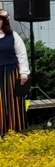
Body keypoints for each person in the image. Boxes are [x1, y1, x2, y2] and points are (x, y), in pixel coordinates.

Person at [0, 9, 29, 137]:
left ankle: (13, 130)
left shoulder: (13, 36)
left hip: (10, 73)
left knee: (13, 102)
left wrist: (24, 73)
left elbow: (22, 55)